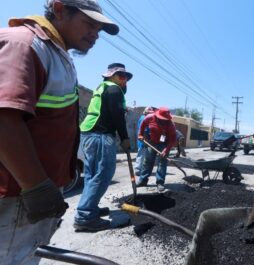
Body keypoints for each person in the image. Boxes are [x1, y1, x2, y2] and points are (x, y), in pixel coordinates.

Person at [0, 0, 118, 263]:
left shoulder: (58, 55)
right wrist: (36, 187)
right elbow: (4, 119)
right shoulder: (25, 44)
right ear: (59, 8)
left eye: (99, 29)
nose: (95, 35)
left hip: (28, 197)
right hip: (15, 196)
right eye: (89, 24)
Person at [74, 63, 132, 232]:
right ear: (111, 76)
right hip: (100, 135)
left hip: (89, 133)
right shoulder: (114, 89)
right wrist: (125, 138)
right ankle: (85, 216)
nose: (124, 81)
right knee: (103, 173)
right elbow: (117, 116)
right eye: (121, 76)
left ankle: (90, 207)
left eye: (126, 78)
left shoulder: (103, 87)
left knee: (92, 174)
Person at [136, 107, 177, 192]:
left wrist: (166, 150)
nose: (163, 120)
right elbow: (143, 124)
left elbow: (172, 140)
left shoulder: (171, 125)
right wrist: (140, 134)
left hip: (164, 144)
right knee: (147, 161)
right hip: (152, 142)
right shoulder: (150, 117)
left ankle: (160, 182)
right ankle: (143, 180)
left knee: (162, 163)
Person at [135, 106, 156, 176]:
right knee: (141, 154)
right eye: (149, 113)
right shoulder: (144, 118)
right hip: (143, 140)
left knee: (142, 155)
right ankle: (138, 170)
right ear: (146, 112)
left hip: (144, 139)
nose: (150, 114)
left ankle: (140, 169)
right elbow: (143, 130)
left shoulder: (145, 118)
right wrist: (146, 139)